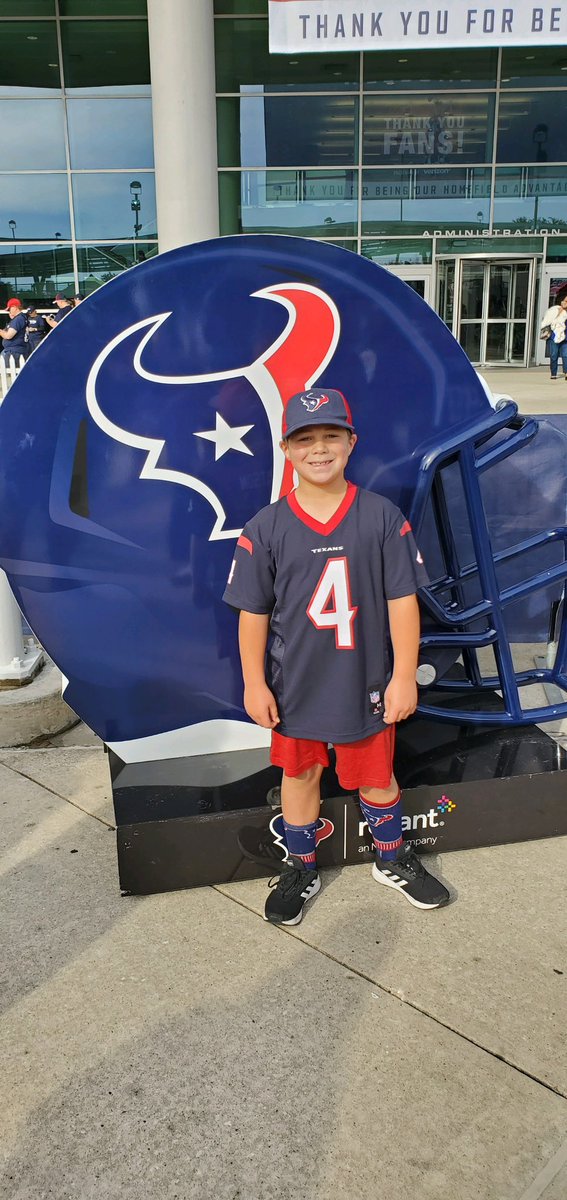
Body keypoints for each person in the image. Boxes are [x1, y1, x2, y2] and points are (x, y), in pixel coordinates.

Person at [223, 387, 450, 926]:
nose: (318, 449)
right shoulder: (267, 526)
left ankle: (391, 856)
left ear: (351, 442)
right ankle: (301, 865)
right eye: (305, 439)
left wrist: (403, 677)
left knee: (376, 776)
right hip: (295, 684)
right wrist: (254, 683)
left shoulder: (380, 517)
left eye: (330, 436)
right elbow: (252, 614)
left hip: (364, 679)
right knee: (299, 777)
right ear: (286, 448)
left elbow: (402, 603)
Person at [540, 294, 567, 379]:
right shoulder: (554, 310)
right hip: (553, 337)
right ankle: (553, 373)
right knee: (553, 355)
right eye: (565, 301)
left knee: (566, 355)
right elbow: (547, 321)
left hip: (565, 338)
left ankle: (566, 372)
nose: (565, 303)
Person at [0, 297, 29, 363]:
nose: (9, 311)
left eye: (9, 309)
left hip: (14, 352)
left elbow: (8, 336)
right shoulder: (21, 318)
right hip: (16, 350)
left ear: (14, 307)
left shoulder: (18, 319)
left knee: (9, 372)